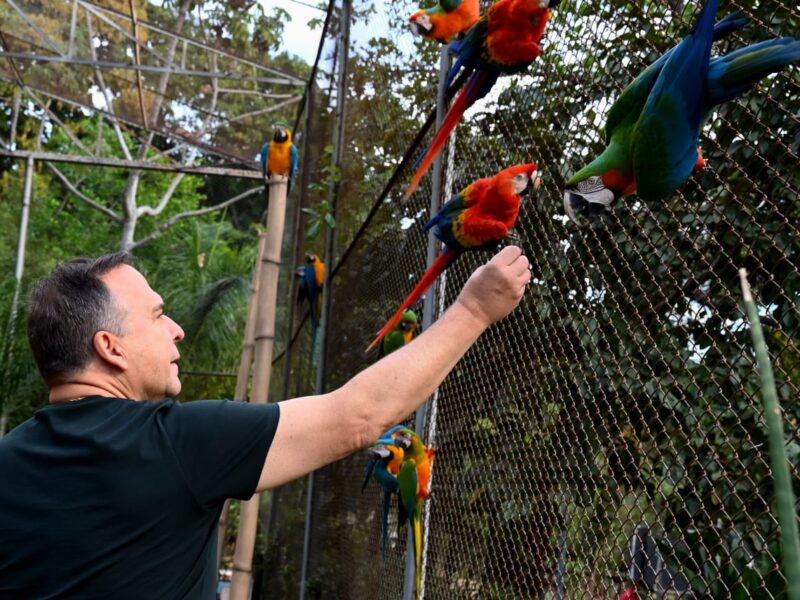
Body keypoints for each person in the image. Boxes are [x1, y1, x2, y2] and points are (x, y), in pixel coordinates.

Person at [0, 246, 530, 598]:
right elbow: (358, 417)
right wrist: (474, 310)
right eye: (159, 316)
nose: (178, 330)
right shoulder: (177, 443)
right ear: (109, 348)